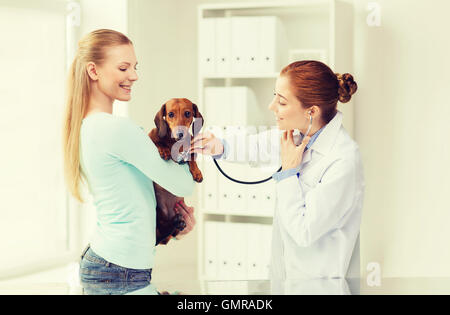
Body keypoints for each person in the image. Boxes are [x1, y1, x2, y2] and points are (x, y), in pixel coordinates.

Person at [190, 61, 365, 287]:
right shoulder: (298, 135)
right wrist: (219, 146)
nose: (272, 106)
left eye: (281, 101)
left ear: (311, 111)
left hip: (321, 286)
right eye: (275, 96)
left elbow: (304, 232)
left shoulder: (343, 159)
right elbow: (256, 146)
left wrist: (289, 173)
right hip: (285, 281)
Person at [62, 29, 196, 295]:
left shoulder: (87, 126)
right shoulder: (116, 130)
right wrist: (184, 135)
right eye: (123, 68)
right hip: (119, 270)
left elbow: (131, 202)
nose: (133, 76)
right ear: (93, 71)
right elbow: (183, 184)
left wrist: (172, 226)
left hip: (113, 264)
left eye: (135, 67)